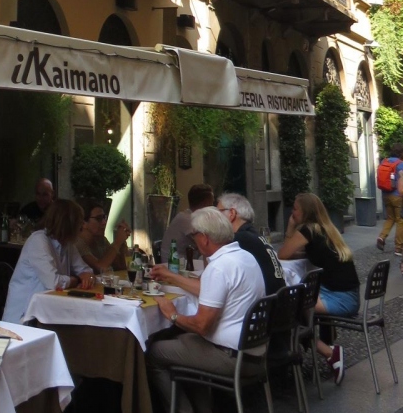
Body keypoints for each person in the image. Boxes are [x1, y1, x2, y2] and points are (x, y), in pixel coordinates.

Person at [146, 207, 266, 413]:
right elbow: (209, 291)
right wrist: (171, 277)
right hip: (253, 353)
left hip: (232, 357)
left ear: (204, 237)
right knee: (184, 345)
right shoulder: (244, 257)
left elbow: (202, 326)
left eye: (194, 236)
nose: (193, 241)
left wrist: (173, 315)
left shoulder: (219, 267)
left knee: (156, 353)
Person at [277, 191, 359, 386]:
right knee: (300, 305)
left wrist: (290, 227)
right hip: (348, 294)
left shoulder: (308, 231)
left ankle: (329, 352)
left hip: (340, 299)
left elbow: (283, 254)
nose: (292, 212)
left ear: (305, 212)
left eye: (295, 209)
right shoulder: (326, 229)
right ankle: (323, 341)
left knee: (289, 311)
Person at [152, 193, 283, 298]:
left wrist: (170, 276)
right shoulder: (252, 236)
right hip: (271, 308)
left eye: (217, 212)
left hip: (262, 314)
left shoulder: (238, 240)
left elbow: (206, 288)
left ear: (231, 214)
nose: (214, 216)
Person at [2, 199, 90, 322]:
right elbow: (53, 282)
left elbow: (85, 270)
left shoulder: (67, 244)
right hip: (24, 318)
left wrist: (87, 276)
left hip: (48, 311)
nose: (84, 226)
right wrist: (76, 280)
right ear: (68, 223)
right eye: (80, 222)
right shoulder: (38, 240)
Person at [160, 184, 216, 260]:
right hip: (174, 263)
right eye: (211, 203)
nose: (213, 206)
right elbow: (207, 244)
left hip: (186, 260)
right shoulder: (187, 220)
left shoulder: (190, 217)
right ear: (205, 204)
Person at [77, 200, 130, 273]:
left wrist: (122, 242)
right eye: (98, 218)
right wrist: (118, 241)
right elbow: (101, 267)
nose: (104, 222)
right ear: (83, 223)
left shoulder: (101, 240)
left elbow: (121, 266)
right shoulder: (77, 242)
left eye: (104, 217)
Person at [376, 154, 403, 253]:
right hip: (397, 196)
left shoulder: (384, 162)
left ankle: (381, 237)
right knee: (400, 220)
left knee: (390, 218)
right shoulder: (400, 164)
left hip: (385, 195)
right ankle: (398, 247)